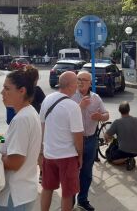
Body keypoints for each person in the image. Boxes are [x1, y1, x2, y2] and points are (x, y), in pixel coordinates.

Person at [0, 69, 42, 210]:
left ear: (22, 91)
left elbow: (15, 161)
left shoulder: (22, 119)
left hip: (15, 196)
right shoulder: (28, 113)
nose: (2, 93)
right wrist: (0, 138)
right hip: (20, 194)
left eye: (7, 88)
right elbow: (15, 144)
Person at [40, 71, 84, 211]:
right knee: (68, 192)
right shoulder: (73, 106)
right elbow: (78, 136)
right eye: (76, 83)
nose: (77, 86)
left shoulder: (47, 100)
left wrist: (41, 151)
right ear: (71, 85)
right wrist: (80, 155)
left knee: (47, 188)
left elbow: (42, 126)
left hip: (49, 154)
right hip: (67, 156)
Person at [71, 71, 109, 211]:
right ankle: (70, 201)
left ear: (90, 83)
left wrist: (101, 116)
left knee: (86, 172)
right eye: (78, 79)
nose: (80, 81)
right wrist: (80, 107)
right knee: (72, 172)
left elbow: (106, 114)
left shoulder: (96, 98)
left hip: (91, 140)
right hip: (74, 141)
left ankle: (82, 200)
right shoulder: (71, 96)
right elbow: (65, 117)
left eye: (83, 79)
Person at [104, 101, 137, 170]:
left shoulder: (117, 122)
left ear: (119, 110)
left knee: (111, 158)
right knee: (125, 150)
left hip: (124, 150)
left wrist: (110, 138)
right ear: (129, 110)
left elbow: (106, 135)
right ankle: (130, 157)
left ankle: (127, 159)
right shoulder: (136, 119)